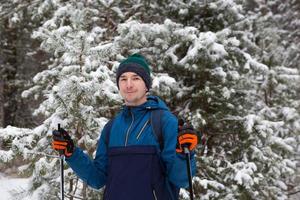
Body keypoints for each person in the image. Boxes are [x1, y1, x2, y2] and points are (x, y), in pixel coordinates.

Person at [52, 54, 198, 200]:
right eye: (123, 79)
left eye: (135, 78)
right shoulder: (112, 127)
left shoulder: (165, 122)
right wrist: (71, 154)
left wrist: (184, 154)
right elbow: (98, 178)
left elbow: (181, 180)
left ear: (146, 85)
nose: (129, 84)